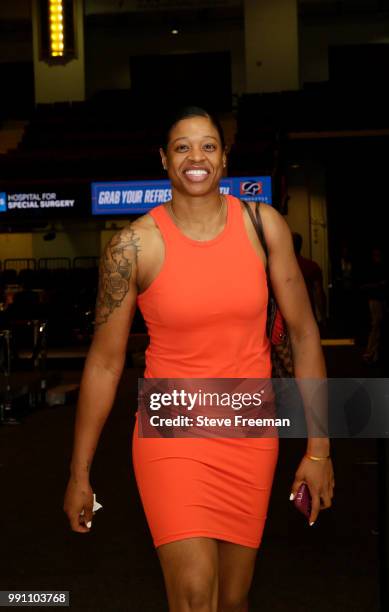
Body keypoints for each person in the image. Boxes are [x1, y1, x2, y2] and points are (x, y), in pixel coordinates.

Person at [63, 107, 334, 612]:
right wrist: (80, 471)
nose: (196, 157)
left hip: (250, 434)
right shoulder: (131, 247)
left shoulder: (263, 226)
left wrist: (319, 450)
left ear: (224, 159)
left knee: (233, 600)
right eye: (183, 147)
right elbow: (104, 363)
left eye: (208, 146)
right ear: (165, 160)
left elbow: (303, 335)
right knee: (194, 598)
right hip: (172, 435)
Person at [292, 232, 327, 332]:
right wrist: (323, 316)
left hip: (288, 315)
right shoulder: (311, 266)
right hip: (307, 314)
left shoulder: (280, 268)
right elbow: (319, 292)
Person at [361, 246, 388, 364]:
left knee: (378, 326)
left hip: (381, 299)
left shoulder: (381, 268)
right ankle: (370, 352)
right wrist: (378, 285)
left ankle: (374, 353)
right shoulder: (371, 269)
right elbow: (364, 286)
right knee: (376, 325)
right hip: (375, 299)